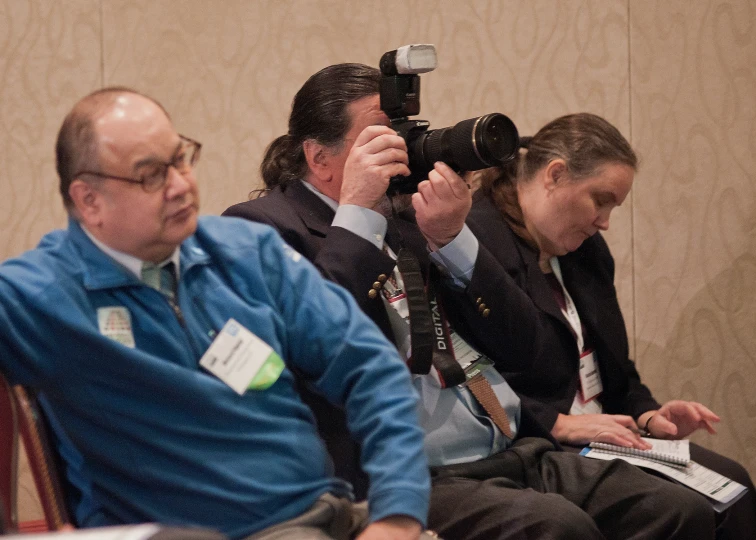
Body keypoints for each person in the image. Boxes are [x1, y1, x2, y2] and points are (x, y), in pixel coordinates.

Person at [224, 63, 717, 540]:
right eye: (378, 137)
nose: (399, 150)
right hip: (411, 473)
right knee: (557, 529)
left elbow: (528, 350)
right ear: (319, 157)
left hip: (509, 444)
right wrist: (356, 216)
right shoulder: (262, 227)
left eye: (402, 132)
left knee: (676, 511)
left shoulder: (411, 221)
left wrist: (454, 237)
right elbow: (311, 344)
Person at [0, 87, 434, 540]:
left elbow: (369, 367)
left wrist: (397, 514)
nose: (181, 185)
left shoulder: (246, 251)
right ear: (89, 200)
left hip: (331, 511)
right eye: (150, 176)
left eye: (180, 158)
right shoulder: (42, 294)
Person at [453, 112, 756, 537]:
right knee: (680, 509)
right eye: (601, 200)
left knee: (736, 484)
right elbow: (467, 373)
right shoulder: (474, 247)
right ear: (555, 175)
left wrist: (650, 415)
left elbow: (616, 369)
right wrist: (555, 422)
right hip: (534, 442)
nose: (605, 222)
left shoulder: (587, 253)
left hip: (609, 434)